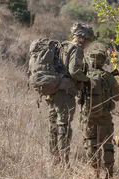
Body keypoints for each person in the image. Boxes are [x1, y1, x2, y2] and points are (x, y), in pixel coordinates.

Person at [46, 22, 95, 165]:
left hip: (52, 91)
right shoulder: (76, 49)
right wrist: (87, 80)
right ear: (82, 38)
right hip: (65, 93)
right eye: (88, 42)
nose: (87, 45)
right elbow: (74, 71)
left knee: (53, 125)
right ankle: (64, 162)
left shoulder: (62, 46)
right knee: (64, 126)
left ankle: (54, 160)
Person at [81, 42, 119, 179]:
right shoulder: (108, 77)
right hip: (105, 116)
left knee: (91, 143)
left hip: (88, 116)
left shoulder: (85, 75)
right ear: (103, 61)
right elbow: (118, 97)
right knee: (107, 144)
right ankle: (109, 174)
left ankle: (95, 173)